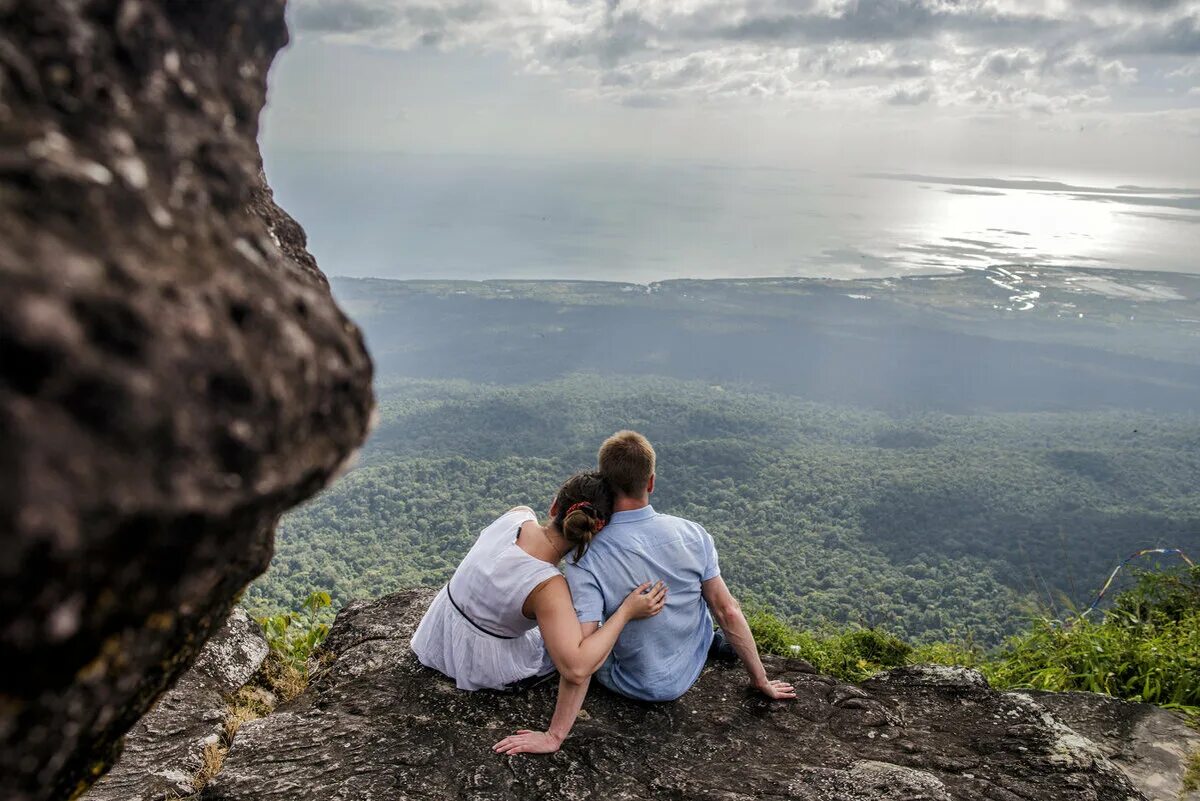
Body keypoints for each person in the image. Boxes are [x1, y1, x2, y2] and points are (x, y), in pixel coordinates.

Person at [493, 431, 795, 755]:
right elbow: (727, 610)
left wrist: (554, 737)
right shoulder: (693, 533)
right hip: (687, 668)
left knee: (569, 629)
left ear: (604, 487)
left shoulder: (586, 558)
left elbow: (581, 658)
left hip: (629, 681)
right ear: (650, 482)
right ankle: (708, 643)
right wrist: (761, 681)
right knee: (703, 608)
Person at [411, 471, 667, 749]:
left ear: (554, 506)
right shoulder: (549, 587)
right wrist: (626, 612)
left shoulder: (517, 516)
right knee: (591, 636)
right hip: (480, 664)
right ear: (596, 530)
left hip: (436, 635)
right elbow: (577, 669)